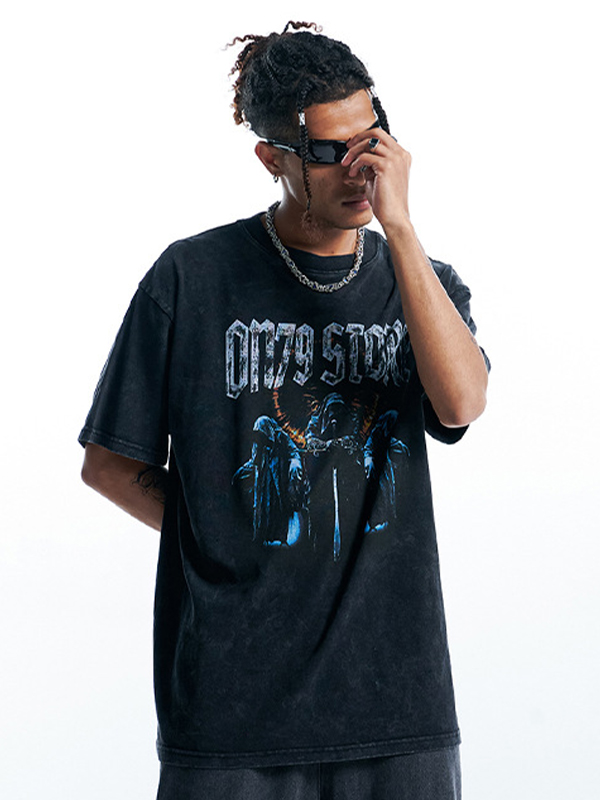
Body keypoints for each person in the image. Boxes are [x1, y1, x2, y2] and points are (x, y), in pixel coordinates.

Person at [79, 21, 489, 800]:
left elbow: (462, 402)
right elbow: (110, 465)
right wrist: (223, 530)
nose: (360, 170)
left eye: (371, 140)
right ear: (273, 160)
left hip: (395, 698)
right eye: (331, 152)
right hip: (232, 704)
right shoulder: (192, 277)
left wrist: (401, 230)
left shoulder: (424, 283)